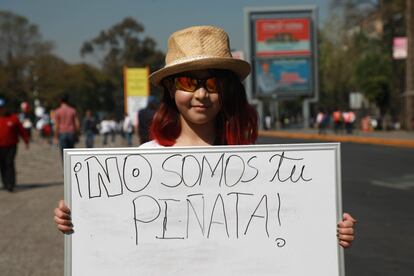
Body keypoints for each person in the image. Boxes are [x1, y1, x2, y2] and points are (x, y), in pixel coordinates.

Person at [54, 25, 356, 248]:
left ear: (228, 91)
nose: (201, 94)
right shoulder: (145, 158)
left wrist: (331, 232)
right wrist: (76, 220)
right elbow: (113, 235)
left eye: (212, 83)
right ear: (172, 90)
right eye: (188, 82)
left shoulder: (257, 166)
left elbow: (292, 234)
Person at [0, 97, 29, 192]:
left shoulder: (13, 118)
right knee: (2, 165)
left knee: (9, 163)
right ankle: (5, 182)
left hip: (11, 146)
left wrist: (26, 141)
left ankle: (10, 184)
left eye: (3, 107)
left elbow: (21, 130)